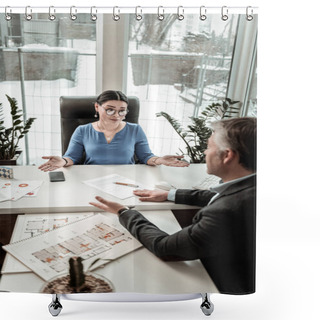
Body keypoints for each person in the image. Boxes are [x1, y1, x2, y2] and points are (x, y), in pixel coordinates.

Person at [90, 117, 256, 294]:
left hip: (221, 287)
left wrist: (123, 212)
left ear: (228, 155)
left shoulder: (225, 213)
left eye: (209, 147)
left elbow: (164, 247)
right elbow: (218, 195)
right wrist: (169, 194)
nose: (205, 153)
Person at [39, 90, 189, 172]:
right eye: (110, 110)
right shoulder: (82, 130)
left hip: (126, 180)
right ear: (97, 107)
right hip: (91, 179)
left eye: (122, 111)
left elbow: (146, 157)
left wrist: (160, 160)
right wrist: (62, 161)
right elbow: (72, 157)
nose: (117, 115)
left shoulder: (135, 130)